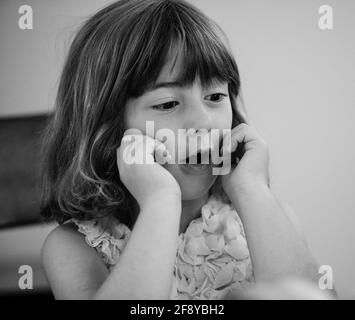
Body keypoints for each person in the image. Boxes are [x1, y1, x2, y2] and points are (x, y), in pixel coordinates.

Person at [39, 0, 321, 300]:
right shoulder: (73, 247)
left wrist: (251, 188)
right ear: (107, 125)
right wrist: (161, 200)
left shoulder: (269, 216)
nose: (204, 120)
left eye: (215, 96)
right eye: (168, 104)